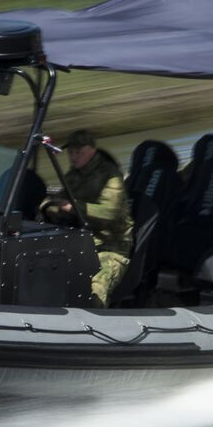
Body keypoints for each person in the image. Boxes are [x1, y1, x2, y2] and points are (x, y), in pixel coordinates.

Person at [41, 129, 134, 308]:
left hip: (111, 245)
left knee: (96, 288)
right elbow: (57, 199)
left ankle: (96, 320)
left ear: (92, 151)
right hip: (78, 240)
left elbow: (110, 214)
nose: (74, 157)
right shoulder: (73, 175)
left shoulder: (110, 176)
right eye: (71, 153)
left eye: (79, 153)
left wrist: (74, 207)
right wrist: (50, 207)